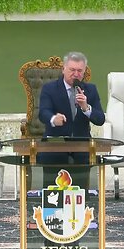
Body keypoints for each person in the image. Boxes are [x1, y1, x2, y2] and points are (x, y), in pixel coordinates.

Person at [38, 51, 105, 191]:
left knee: (82, 176)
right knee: (53, 177)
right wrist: (53, 119)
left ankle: (83, 203)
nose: (76, 74)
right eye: (72, 70)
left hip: (81, 143)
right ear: (64, 69)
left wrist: (86, 108)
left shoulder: (90, 90)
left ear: (84, 71)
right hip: (55, 142)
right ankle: (51, 204)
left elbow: (100, 119)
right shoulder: (49, 89)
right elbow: (43, 113)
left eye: (79, 71)